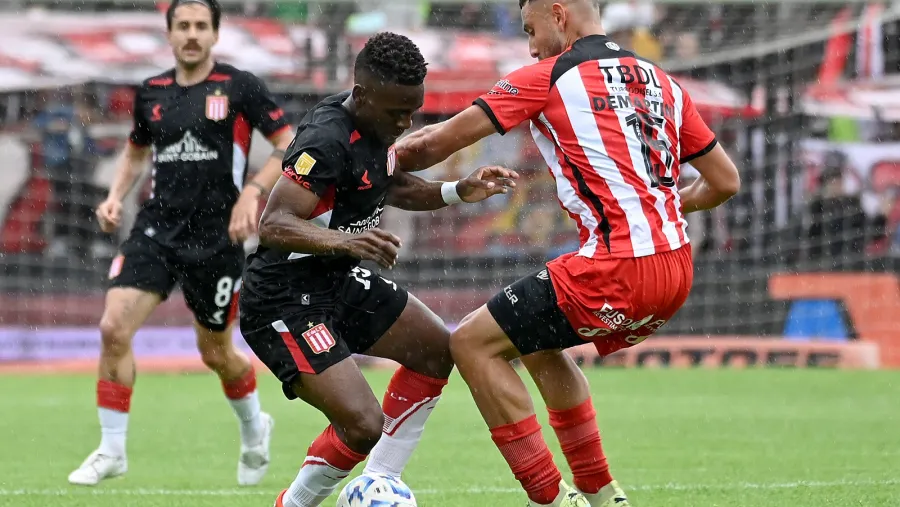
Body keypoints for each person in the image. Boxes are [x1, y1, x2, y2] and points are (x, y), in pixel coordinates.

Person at [395, 0, 742, 506]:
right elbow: (725, 181)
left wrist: (360, 149)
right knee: (533, 341)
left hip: (616, 266)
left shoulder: (548, 75)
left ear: (558, 15)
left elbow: (431, 146)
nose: (530, 45)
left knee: (471, 343)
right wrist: (663, 205)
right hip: (675, 267)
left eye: (531, 29)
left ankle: (553, 500)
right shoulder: (660, 80)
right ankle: (602, 493)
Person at [238, 32, 518, 507]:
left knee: (437, 350)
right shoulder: (324, 140)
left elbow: (392, 186)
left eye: (413, 110)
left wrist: (458, 191)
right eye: (396, 112)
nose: (406, 122)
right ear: (363, 94)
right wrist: (347, 240)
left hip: (339, 279)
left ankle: (379, 484)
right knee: (363, 424)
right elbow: (274, 224)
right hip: (283, 298)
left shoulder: (377, 129)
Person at [68, 0, 295, 487]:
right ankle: (111, 450)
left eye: (200, 26)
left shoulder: (240, 87)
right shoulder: (151, 91)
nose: (191, 34)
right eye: (183, 26)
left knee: (215, 353)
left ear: (215, 34)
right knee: (113, 328)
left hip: (218, 238)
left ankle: (256, 426)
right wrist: (113, 198)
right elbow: (134, 153)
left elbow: (286, 142)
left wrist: (251, 195)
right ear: (169, 35)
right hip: (156, 230)